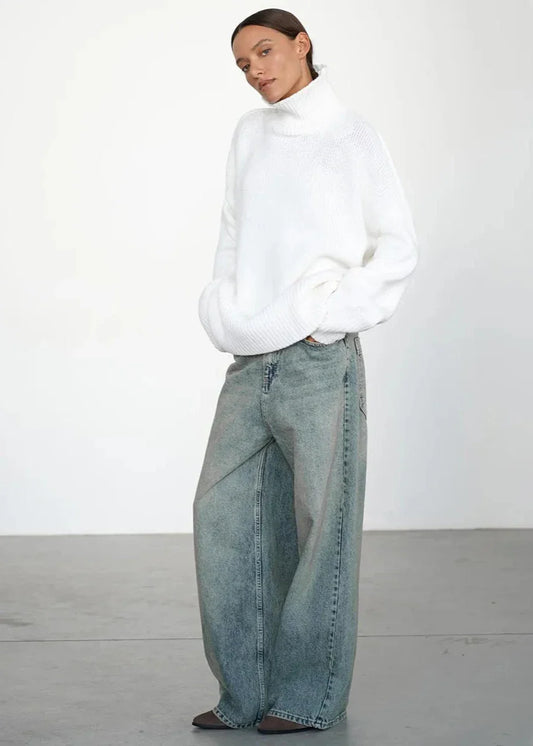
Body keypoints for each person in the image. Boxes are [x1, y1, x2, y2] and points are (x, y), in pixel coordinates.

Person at [192, 8, 418, 735]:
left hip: (320, 361)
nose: (254, 70)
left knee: (323, 531)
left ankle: (307, 699)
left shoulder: (352, 136)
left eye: (263, 51)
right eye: (242, 63)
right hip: (249, 359)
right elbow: (233, 234)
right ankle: (243, 694)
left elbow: (398, 245)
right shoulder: (249, 134)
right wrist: (222, 308)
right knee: (222, 516)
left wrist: (331, 316)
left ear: (301, 43)